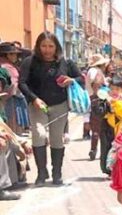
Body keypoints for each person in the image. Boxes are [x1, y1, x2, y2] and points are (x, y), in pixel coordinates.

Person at [19, 32, 82, 186]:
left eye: (51, 46)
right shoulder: (30, 62)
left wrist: (71, 80)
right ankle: (41, 173)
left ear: (56, 47)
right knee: (39, 135)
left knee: (56, 138)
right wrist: (34, 99)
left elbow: (81, 78)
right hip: (38, 105)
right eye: (44, 46)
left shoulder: (66, 62)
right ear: (38, 46)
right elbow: (22, 83)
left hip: (59, 105)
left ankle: (57, 173)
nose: (47, 50)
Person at [0, 42, 29, 135]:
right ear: (6, 55)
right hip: (10, 100)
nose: (15, 56)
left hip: (7, 99)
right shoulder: (7, 67)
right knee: (11, 128)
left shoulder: (7, 65)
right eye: (13, 54)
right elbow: (12, 86)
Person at [86, 54, 110, 160]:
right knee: (102, 128)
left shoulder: (90, 71)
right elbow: (96, 85)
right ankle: (102, 152)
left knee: (95, 127)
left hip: (91, 99)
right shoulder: (98, 72)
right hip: (98, 100)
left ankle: (93, 149)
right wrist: (101, 97)